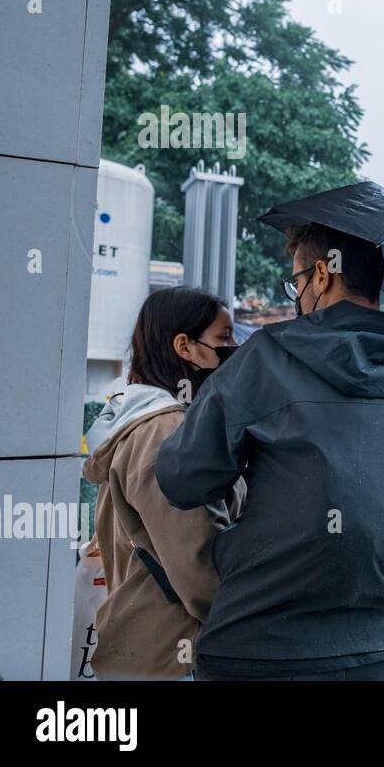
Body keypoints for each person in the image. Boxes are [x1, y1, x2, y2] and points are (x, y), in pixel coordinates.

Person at [156, 223, 384, 681]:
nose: (297, 295)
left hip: (260, 649)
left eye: (297, 281)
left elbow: (182, 480)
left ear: (323, 276)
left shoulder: (264, 355)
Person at [82, 287, 243, 680]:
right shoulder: (165, 431)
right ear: (184, 346)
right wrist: (246, 620)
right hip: (172, 655)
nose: (234, 349)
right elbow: (195, 559)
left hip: (147, 648)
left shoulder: (137, 419)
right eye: (223, 338)